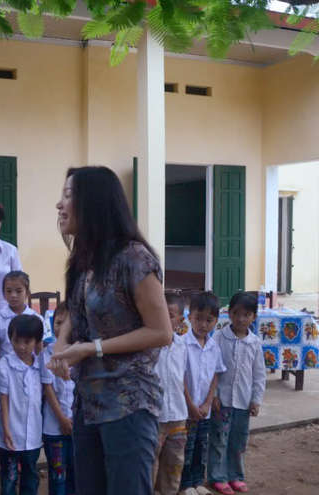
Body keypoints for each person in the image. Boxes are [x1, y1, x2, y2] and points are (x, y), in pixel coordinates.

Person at [47, 166, 173, 495]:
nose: (59, 205)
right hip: (87, 402)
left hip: (128, 405)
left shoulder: (133, 258)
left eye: (68, 196)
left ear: (95, 202)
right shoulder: (83, 260)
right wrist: (62, 342)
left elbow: (161, 332)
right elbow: (80, 308)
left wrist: (91, 349)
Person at [208, 292, 266, 494]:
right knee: (218, 439)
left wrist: (256, 400)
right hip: (221, 401)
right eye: (236, 313)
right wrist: (213, 395)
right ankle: (217, 476)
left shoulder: (255, 343)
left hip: (243, 402)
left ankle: (235, 476)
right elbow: (211, 369)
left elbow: (259, 375)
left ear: (254, 317)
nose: (241, 318)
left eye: (246, 314)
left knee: (238, 440)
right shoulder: (218, 337)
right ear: (229, 313)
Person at [180, 292, 226, 495]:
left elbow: (216, 374)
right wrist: (190, 404)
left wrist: (208, 403)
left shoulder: (214, 346)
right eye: (198, 318)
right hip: (186, 409)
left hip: (204, 409)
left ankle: (199, 481)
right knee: (186, 447)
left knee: (202, 446)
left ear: (216, 321)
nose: (203, 324)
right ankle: (186, 484)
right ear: (189, 316)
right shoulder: (181, 344)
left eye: (209, 320)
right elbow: (179, 377)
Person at [0, 314, 44, 495]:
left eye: (27, 341)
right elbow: (4, 400)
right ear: (10, 339)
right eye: (16, 341)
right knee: (9, 477)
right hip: (10, 434)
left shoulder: (40, 365)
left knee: (31, 475)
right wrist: (6, 429)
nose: (21, 346)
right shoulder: (4, 366)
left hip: (33, 435)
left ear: (36, 341)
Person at [153, 293, 189, 495]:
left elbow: (182, 377)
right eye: (160, 314)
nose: (164, 319)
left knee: (174, 463)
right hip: (154, 416)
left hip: (178, 416)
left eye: (171, 315)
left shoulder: (182, 345)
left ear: (181, 320)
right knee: (148, 462)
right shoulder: (147, 345)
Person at [40, 303, 75, 495]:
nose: (62, 328)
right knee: (58, 476)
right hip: (54, 428)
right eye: (58, 322)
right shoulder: (46, 354)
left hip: (78, 426)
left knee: (76, 475)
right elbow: (48, 389)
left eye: (68, 323)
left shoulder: (82, 353)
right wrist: (62, 418)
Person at [0, 271, 43, 363]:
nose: (13, 295)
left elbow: (39, 348)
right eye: (9, 291)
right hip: (5, 370)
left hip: (29, 369)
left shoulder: (37, 319)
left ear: (27, 293)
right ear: (3, 294)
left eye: (18, 291)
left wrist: (40, 368)